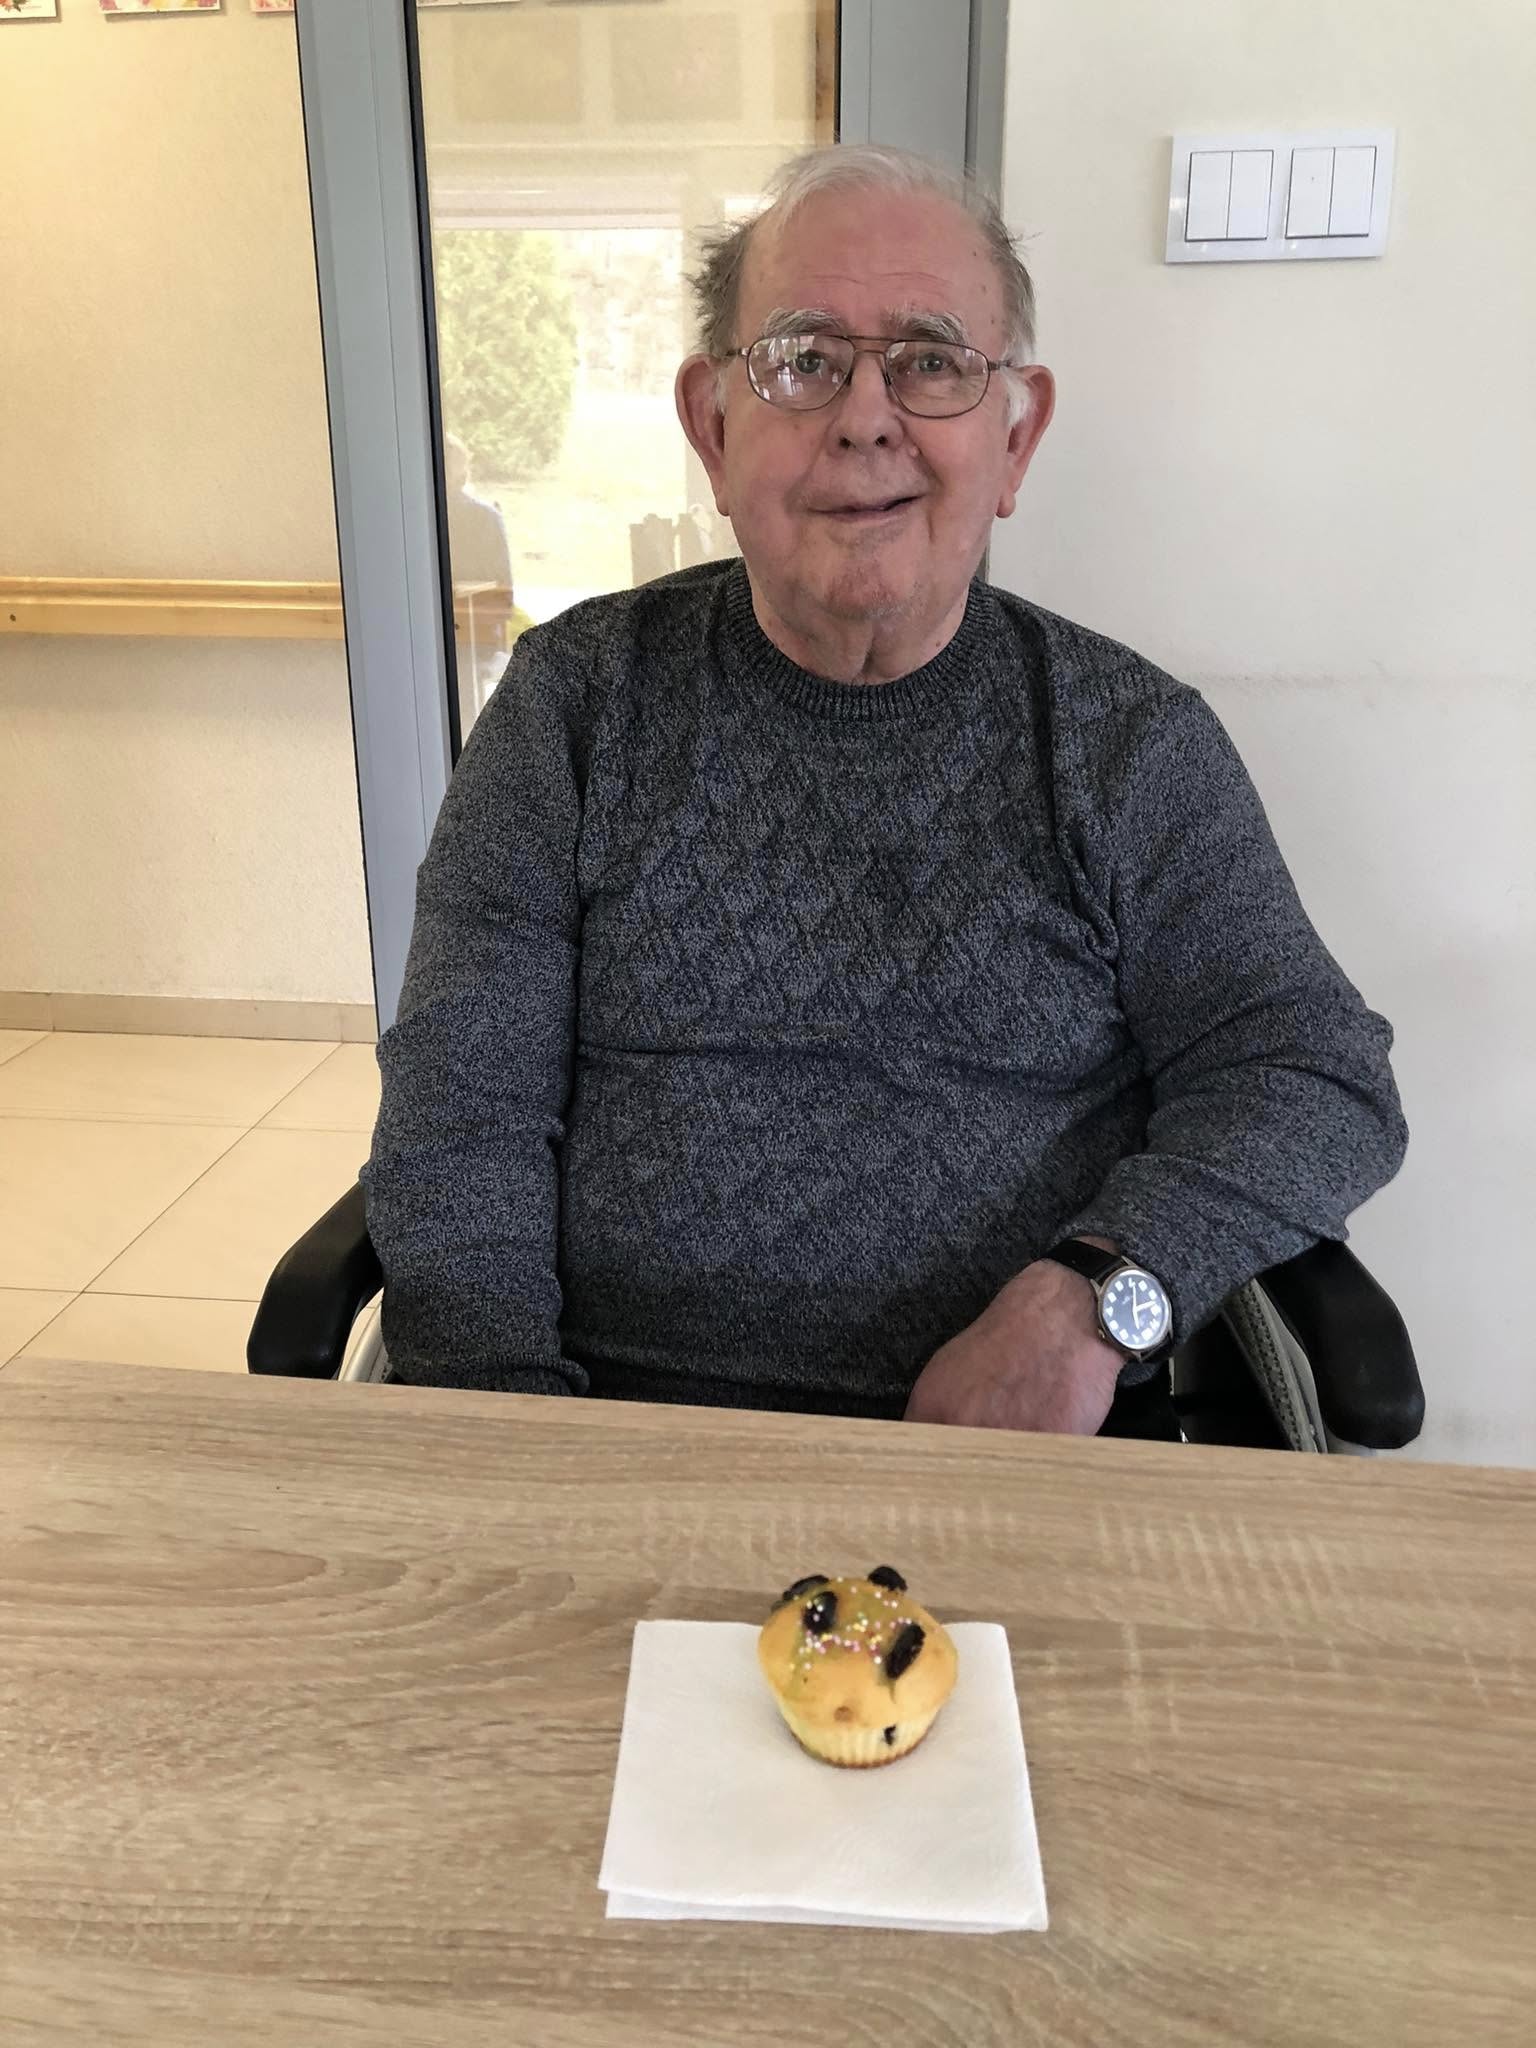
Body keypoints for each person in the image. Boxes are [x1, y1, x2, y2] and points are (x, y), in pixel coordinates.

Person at [361, 145, 1406, 1440]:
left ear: (1015, 436)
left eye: (930, 360)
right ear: (712, 429)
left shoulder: (1130, 745)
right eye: (802, 359)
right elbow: (463, 1110)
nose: (865, 419)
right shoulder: (573, 703)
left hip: (1009, 1467)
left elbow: (1314, 1075)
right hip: (612, 1441)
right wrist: (517, 1443)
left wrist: (1095, 1303)